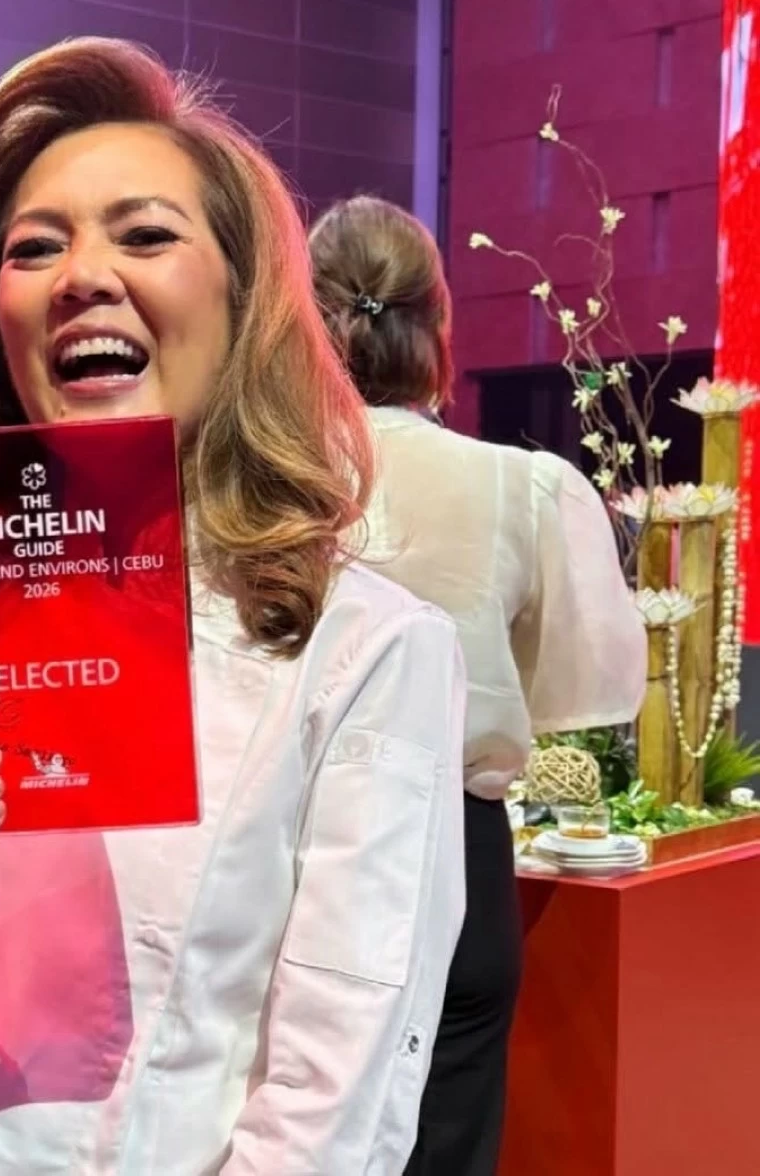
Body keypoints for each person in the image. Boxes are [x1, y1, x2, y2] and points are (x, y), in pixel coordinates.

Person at [0, 38, 467, 1174]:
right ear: (1, 316)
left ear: (244, 297)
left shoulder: (363, 649)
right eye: (36, 246)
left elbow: (333, 1112)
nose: (82, 274)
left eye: (145, 233)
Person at [309, 194, 646, 1176]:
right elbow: (586, 689)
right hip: (456, 856)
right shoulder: (517, 484)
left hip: (291, 844)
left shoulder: (258, 479)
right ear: (436, 325)